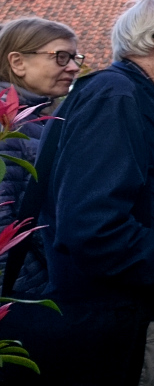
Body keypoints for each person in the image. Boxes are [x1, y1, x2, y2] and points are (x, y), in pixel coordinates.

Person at [5, 0, 154, 386]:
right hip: (121, 333)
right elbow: (94, 229)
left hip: (126, 326)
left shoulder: (136, 98)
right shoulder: (115, 97)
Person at [0, 18, 81, 295]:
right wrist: (30, 295)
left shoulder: (40, 120)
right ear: (18, 62)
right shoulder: (7, 125)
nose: (73, 67)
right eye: (60, 57)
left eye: (74, 57)